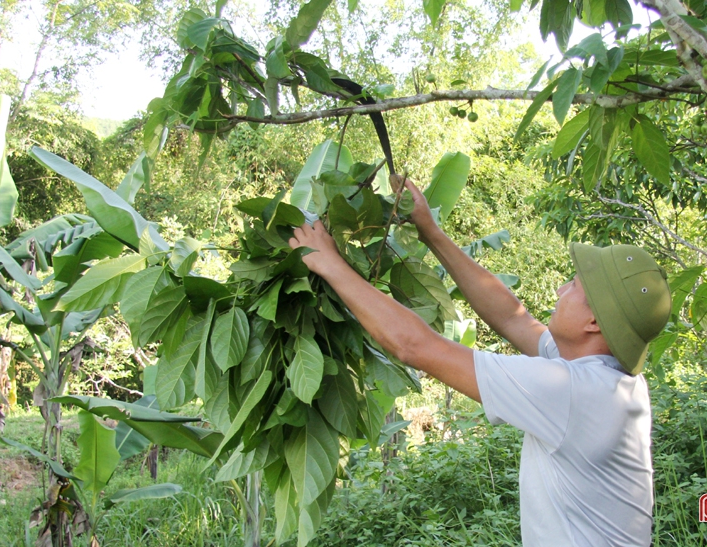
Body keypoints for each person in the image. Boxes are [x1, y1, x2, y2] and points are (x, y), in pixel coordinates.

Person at [288, 176, 672, 547]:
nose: (560, 288)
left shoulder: (572, 393)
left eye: (573, 285)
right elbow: (512, 318)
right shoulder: (610, 378)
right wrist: (431, 232)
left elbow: (414, 346)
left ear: (593, 322)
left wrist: (331, 265)